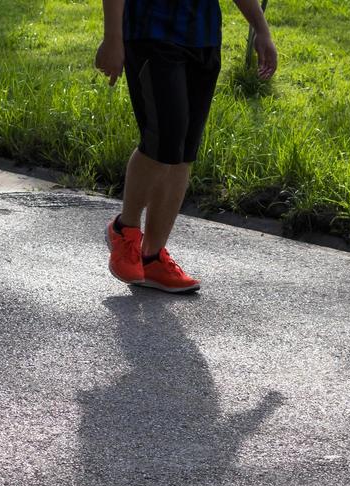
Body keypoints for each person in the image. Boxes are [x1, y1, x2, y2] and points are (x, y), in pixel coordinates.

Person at [95, 0, 277, 292]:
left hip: (203, 38)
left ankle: (152, 257)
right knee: (164, 138)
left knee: (183, 151)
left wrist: (261, 29)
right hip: (151, 32)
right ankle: (124, 229)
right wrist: (112, 38)